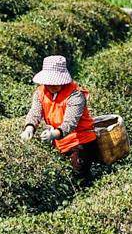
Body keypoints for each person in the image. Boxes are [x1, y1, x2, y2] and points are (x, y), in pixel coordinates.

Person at [22, 54, 103, 182]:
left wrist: (54, 134)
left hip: (80, 142)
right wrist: (29, 128)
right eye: (50, 83)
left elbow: (70, 122)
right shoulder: (40, 92)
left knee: (79, 176)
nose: (53, 86)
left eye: (57, 82)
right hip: (60, 143)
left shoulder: (76, 95)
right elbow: (35, 112)